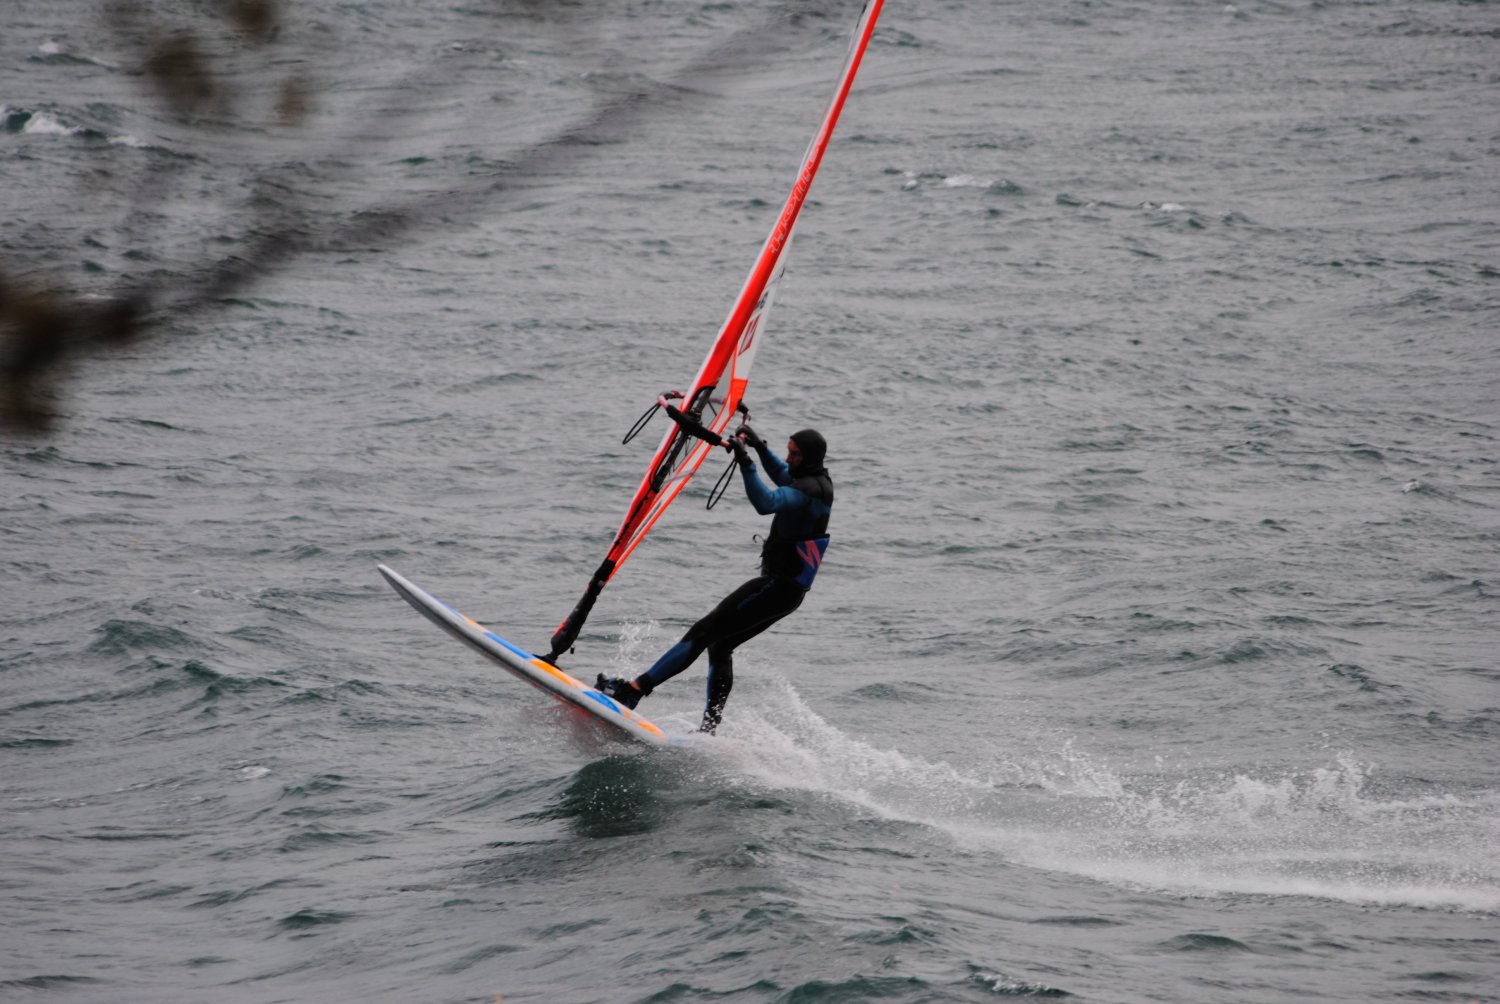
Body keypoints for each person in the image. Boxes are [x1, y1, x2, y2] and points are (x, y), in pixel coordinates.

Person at [596, 426, 834, 733]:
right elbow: (782, 475)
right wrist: (759, 447)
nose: (789, 458)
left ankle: (633, 690)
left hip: (777, 586)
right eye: (787, 451)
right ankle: (709, 728)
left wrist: (746, 463)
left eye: (795, 454)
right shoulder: (811, 481)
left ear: (810, 457)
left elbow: (767, 502)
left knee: (703, 632)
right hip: (788, 591)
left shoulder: (811, 490)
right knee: (720, 646)